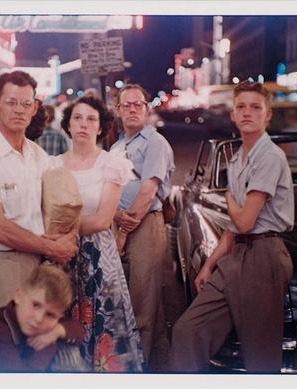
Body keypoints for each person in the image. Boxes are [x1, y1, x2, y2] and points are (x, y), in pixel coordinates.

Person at [169, 80, 294, 373]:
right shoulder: (238, 159)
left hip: (264, 256)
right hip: (236, 255)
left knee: (259, 357)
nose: (247, 113)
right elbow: (235, 227)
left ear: (267, 115)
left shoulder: (270, 156)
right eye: (241, 107)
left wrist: (228, 198)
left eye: (255, 107)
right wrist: (209, 264)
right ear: (234, 115)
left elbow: (245, 220)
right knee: (187, 330)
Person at [0, 70, 78, 327]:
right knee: (2, 353)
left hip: (40, 268)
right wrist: (52, 248)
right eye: (11, 102)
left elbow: (60, 208)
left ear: (35, 108)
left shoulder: (38, 155)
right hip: (2, 267)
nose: (18, 110)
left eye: (26, 104)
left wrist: (69, 237)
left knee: (36, 355)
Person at [53, 96, 144, 372]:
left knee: (104, 324)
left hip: (98, 259)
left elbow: (103, 220)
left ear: (101, 128)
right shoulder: (51, 165)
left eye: (91, 119)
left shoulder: (111, 164)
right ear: (68, 125)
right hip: (60, 258)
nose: (83, 124)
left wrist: (62, 227)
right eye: (77, 118)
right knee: (65, 327)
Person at [110, 84, 175, 368]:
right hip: (121, 226)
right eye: (127, 105)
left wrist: (122, 234)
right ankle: (159, 365)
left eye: (138, 104)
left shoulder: (155, 142)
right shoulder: (116, 147)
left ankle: (137, 370)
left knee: (142, 307)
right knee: (143, 306)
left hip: (144, 227)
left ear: (147, 109)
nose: (133, 109)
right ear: (119, 111)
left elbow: (148, 192)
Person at [0, 265, 86, 372]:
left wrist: (56, 332)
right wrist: (48, 344)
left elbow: (79, 331)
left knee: (69, 350)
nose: (38, 319)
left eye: (50, 315)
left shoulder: (35, 321)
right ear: (18, 295)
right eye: (35, 305)